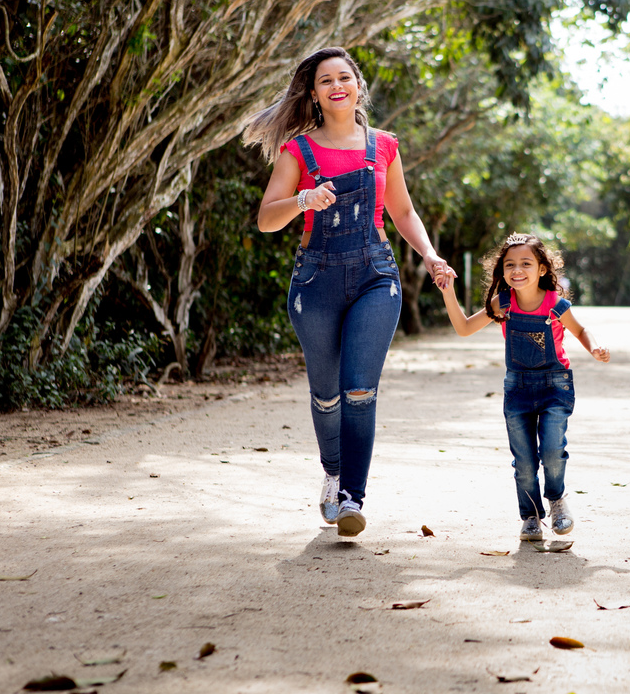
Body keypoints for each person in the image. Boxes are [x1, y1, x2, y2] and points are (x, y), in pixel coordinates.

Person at [244, 47, 451, 538]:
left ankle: (352, 497)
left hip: (376, 275)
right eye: (325, 81)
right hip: (315, 280)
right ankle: (333, 472)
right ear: (313, 94)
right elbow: (266, 219)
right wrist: (301, 199)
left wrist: (429, 254)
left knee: (359, 389)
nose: (337, 86)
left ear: (358, 85)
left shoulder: (383, 145)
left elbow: (402, 212)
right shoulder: (299, 151)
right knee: (327, 394)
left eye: (345, 77)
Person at [435, 233, 609, 540]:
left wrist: (594, 348)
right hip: (517, 389)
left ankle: (556, 501)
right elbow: (463, 328)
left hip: (555, 386)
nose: (517, 269)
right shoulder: (502, 304)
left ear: (542, 269)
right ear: (502, 270)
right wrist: (448, 290)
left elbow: (581, 330)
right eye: (510, 264)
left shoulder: (556, 303)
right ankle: (530, 516)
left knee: (553, 450)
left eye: (526, 263)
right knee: (525, 461)